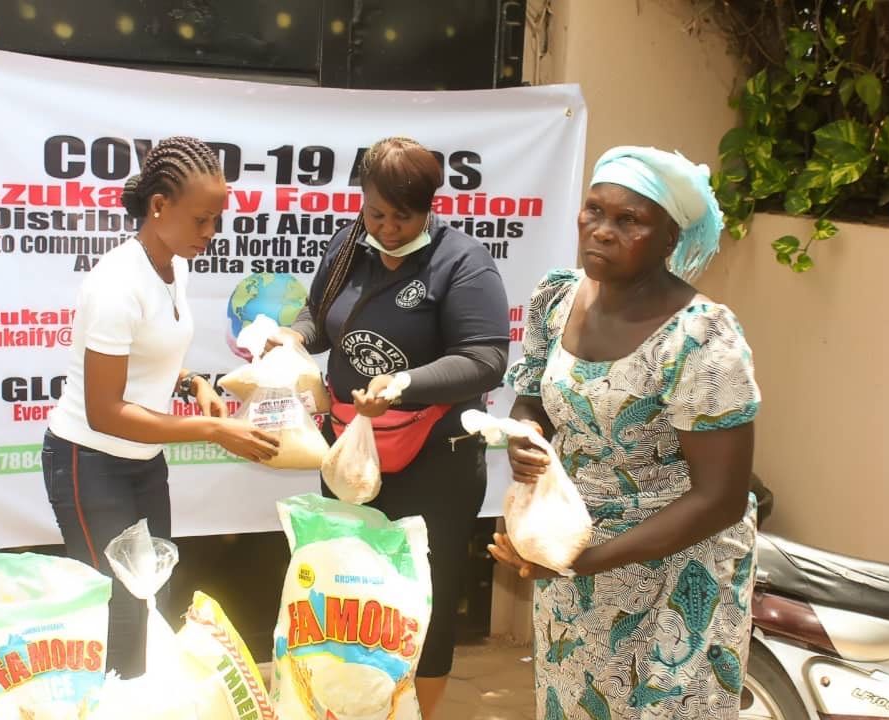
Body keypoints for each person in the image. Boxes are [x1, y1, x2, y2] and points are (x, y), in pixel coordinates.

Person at [489, 146, 761, 719]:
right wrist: (524, 437)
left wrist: (584, 561)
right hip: (571, 550)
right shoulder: (557, 299)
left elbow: (720, 498)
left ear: (669, 239)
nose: (602, 231)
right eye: (594, 211)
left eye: (629, 221)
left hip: (676, 574)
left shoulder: (701, 338)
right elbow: (531, 398)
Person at [276, 137, 511, 718]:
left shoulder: (461, 263)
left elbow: (485, 358)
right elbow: (320, 315)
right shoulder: (348, 247)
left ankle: (420, 713)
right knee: (349, 587)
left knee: (420, 597)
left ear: (429, 204)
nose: (386, 227)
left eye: (401, 216)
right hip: (353, 453)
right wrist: (296, 337)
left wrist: (404, 383)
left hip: (436, 460)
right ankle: (354, 704)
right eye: (375, 212)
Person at [42, 136, 280, 678]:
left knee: (157, 592)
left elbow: (148, 353)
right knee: (122, 608)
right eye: (202, 220)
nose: (210, 233)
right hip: (89, 460)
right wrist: (212, 431)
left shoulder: (173, 264)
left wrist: (193, 381)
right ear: (159, 207)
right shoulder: (115, 284)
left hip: (141, 461)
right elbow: (105, 411)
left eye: (216, 220)